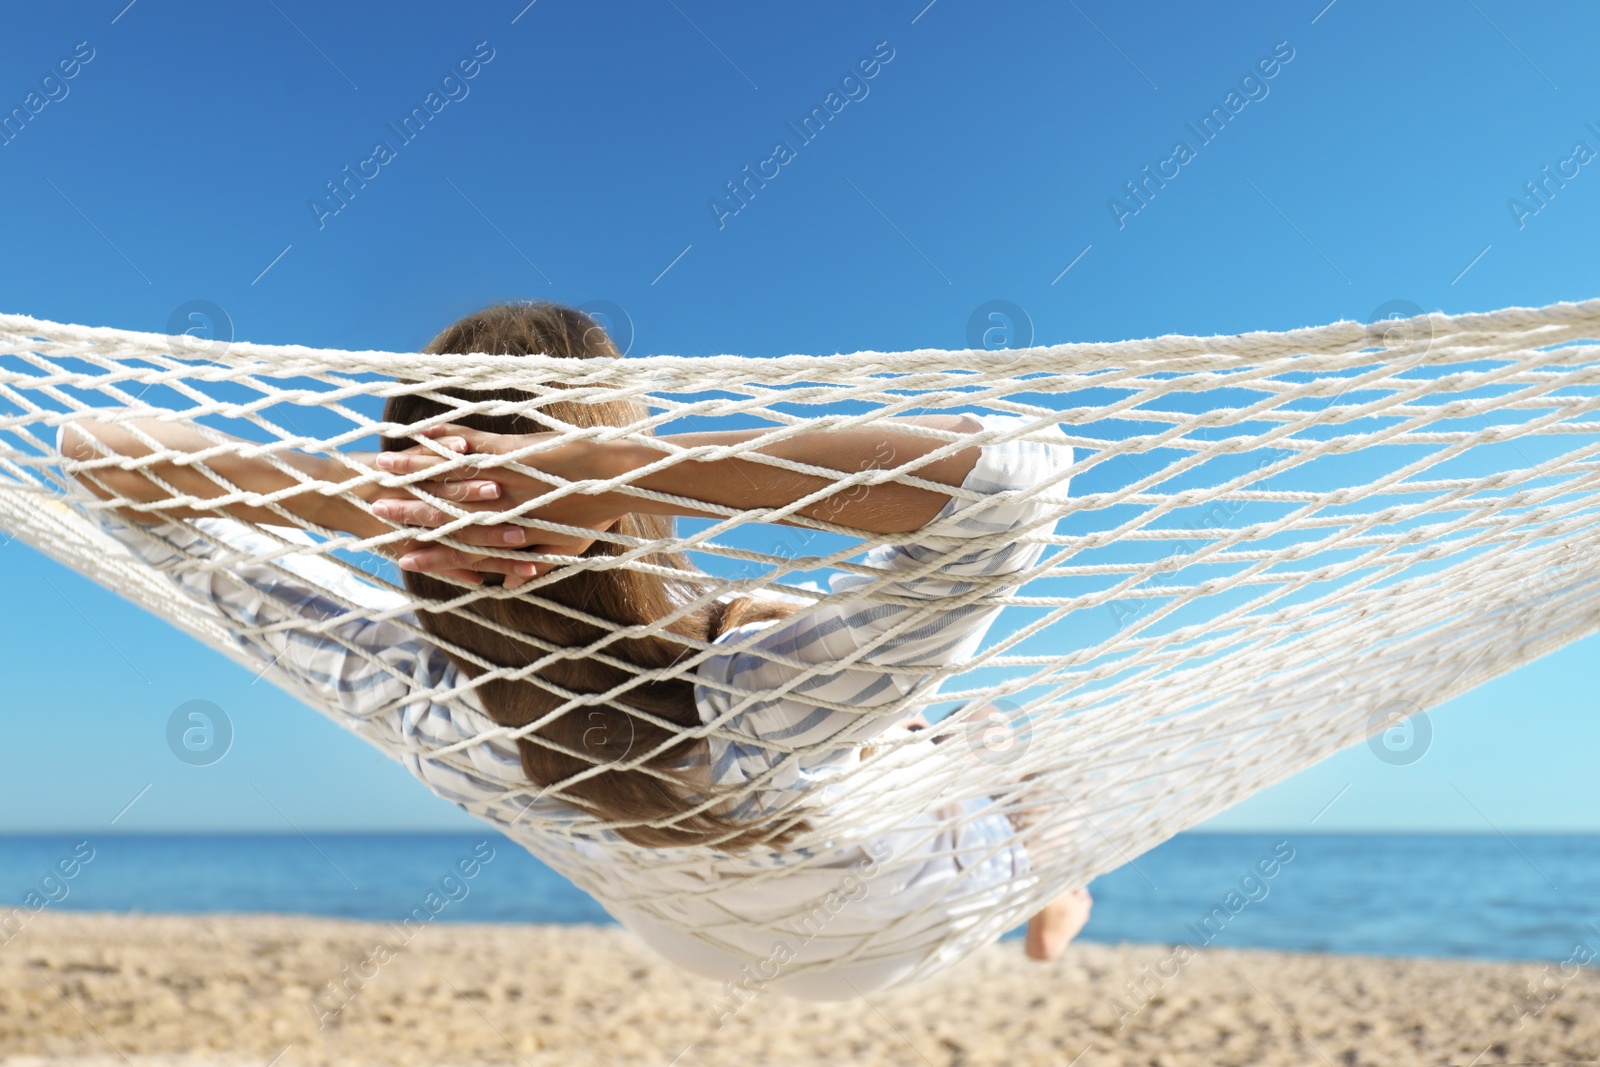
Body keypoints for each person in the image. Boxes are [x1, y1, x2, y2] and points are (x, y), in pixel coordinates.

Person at [57, 302, 1091, 999]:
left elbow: (91, 456)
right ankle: (1058, 883)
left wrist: (351, 501)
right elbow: (1022, 470)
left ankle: (997, 817)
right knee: (1013, 746)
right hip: (894, 922)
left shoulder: (419, 690)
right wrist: (614, 473)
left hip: (698, 935)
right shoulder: (750, 695)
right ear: (620, 441)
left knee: (829, 670)